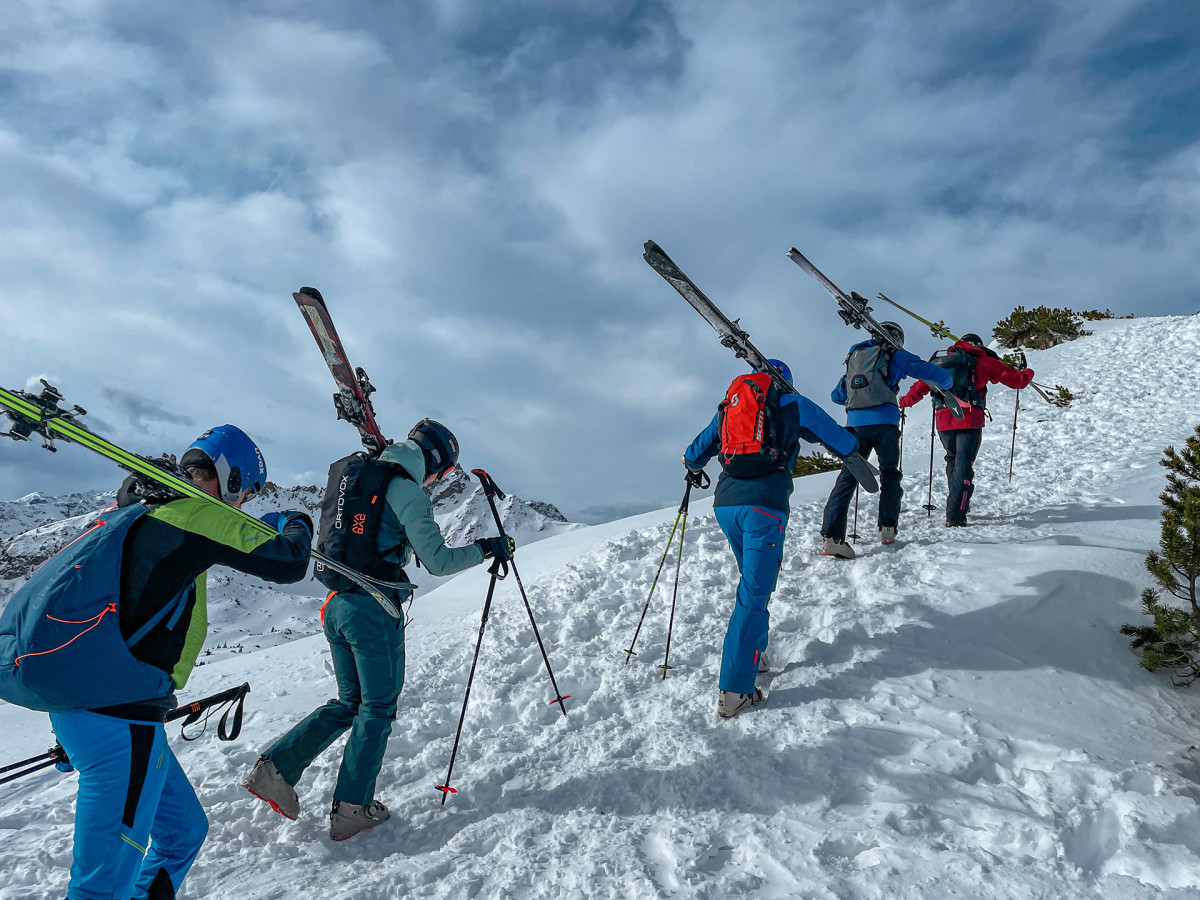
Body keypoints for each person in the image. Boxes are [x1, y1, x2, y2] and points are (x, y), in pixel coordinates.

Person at [44, 425, 313, 900]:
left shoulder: (146, 510)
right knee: (99, 888)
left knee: (183, 833)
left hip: (105, 710)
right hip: (117, 717)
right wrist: (296, 520)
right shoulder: (193, 511)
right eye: (245, 493)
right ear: (232, 480)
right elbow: (291, 561)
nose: (243, 505)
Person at [242, 419, 515, 841]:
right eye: (440, 474)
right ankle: (352, 807)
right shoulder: (404, 488)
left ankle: (274, 770)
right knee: (378, 707)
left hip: (335, 604)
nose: (436, 481)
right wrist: (486, 548)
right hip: (372, 608)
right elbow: (439, 561)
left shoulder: (362, 474)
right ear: (436, 463)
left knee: (351, 702)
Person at [682, 360, 862, 719]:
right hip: (764, 508)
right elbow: (842, 439)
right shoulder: (794, 404)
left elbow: (693, 453)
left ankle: (755, 654)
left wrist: (696, 466)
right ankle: (735, 691)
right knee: (753, 594)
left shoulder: (731, 407)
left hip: (727, 507)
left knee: (753, 585)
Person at [819, 322, 955, 558]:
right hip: (885, 424)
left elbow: (838, 396)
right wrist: (947, 384)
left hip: (856, 425)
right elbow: (933, 373)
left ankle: (831, 537)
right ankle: (887, 529)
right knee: (890, 473)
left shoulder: (856, 355)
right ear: (897, 339)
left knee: (848, 477)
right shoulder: (894, 354)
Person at [899, 333, 1034, 526]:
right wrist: (1028, 372)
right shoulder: (982, 361)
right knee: (964, 464)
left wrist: (903, 402)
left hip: (944, 419)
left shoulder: (941, 361)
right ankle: (956, 515)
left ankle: (958, 501)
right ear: (978, 345)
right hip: (969, 418)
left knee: (953, 459)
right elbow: (1016, 380)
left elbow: (920, 386)